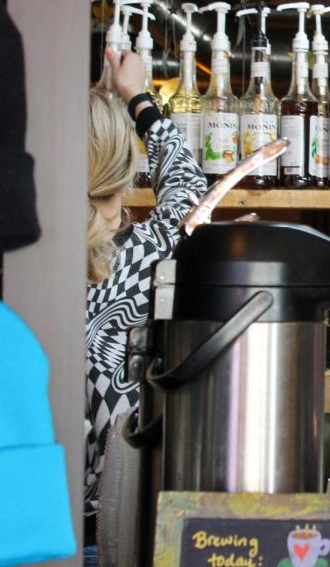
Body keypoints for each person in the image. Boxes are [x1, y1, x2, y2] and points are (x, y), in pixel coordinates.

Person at [84, 50, 206, 557]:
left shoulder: (7, 265)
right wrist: (139, 98)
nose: (119, 211)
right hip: (106, 532)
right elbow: (190, 196)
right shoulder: (129, 262)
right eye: (119, 189)